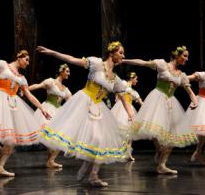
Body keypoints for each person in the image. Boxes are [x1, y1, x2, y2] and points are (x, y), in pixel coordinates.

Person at [37, 41, 134, 187]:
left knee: (100, 140)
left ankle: (93, 175)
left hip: (99, 108)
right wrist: (52, 52)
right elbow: (71, 59)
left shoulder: (116, 79)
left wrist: (131, 114)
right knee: (94, 138)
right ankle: (87, 170)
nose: (123, 56)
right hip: (84, 101)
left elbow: (124, 99)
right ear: (111, 53)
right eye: (120, 53)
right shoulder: (96, 63)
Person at [122, 46, 198, 174]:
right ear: (177, 55)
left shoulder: (182, 75)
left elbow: (190, 92)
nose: (187, 59)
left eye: (187, 56)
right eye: (184, 56)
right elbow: (142, 63)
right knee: (154, 129)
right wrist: (124, 61)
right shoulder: (162, 64)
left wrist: (195, 102)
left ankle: (162, 165)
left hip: (171, 103)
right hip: (158, 99)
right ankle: (159, 151)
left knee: (173, 136)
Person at [28, 63, 72, 168]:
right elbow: (37, 86)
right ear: (61, 71)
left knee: (61, 136)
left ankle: (50, 160)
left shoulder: (65, 89)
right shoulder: (51, 82)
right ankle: (50, 161)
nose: (68, 74)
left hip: (58, 112)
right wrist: (25, 90)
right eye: (67, 71)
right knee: (50, 135)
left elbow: (72, 101)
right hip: (48, 109)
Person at [111, 71, 143, 161]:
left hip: (130, 109)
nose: (137, 81)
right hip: (121, 108)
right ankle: (117, 151)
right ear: (132, 78)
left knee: (130, 133)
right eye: (136, 79)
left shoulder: (134, 92)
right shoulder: (124, 84)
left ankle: (128, 153)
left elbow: (140, 101)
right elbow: (117, 89)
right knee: (120, 132)